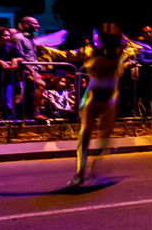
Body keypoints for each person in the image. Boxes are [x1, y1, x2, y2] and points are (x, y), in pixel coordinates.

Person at [39, 23, 137, 187]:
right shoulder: (93, 51)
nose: (94, 38)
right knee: (85, 135)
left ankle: (92, 166)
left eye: (97, 36)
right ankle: (80, 172)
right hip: (95, 97)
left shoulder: (121, 52)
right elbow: (66, 56)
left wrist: (45, 47)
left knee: (103, 139)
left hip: (106, 98)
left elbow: (65, 55)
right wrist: (47, 49)